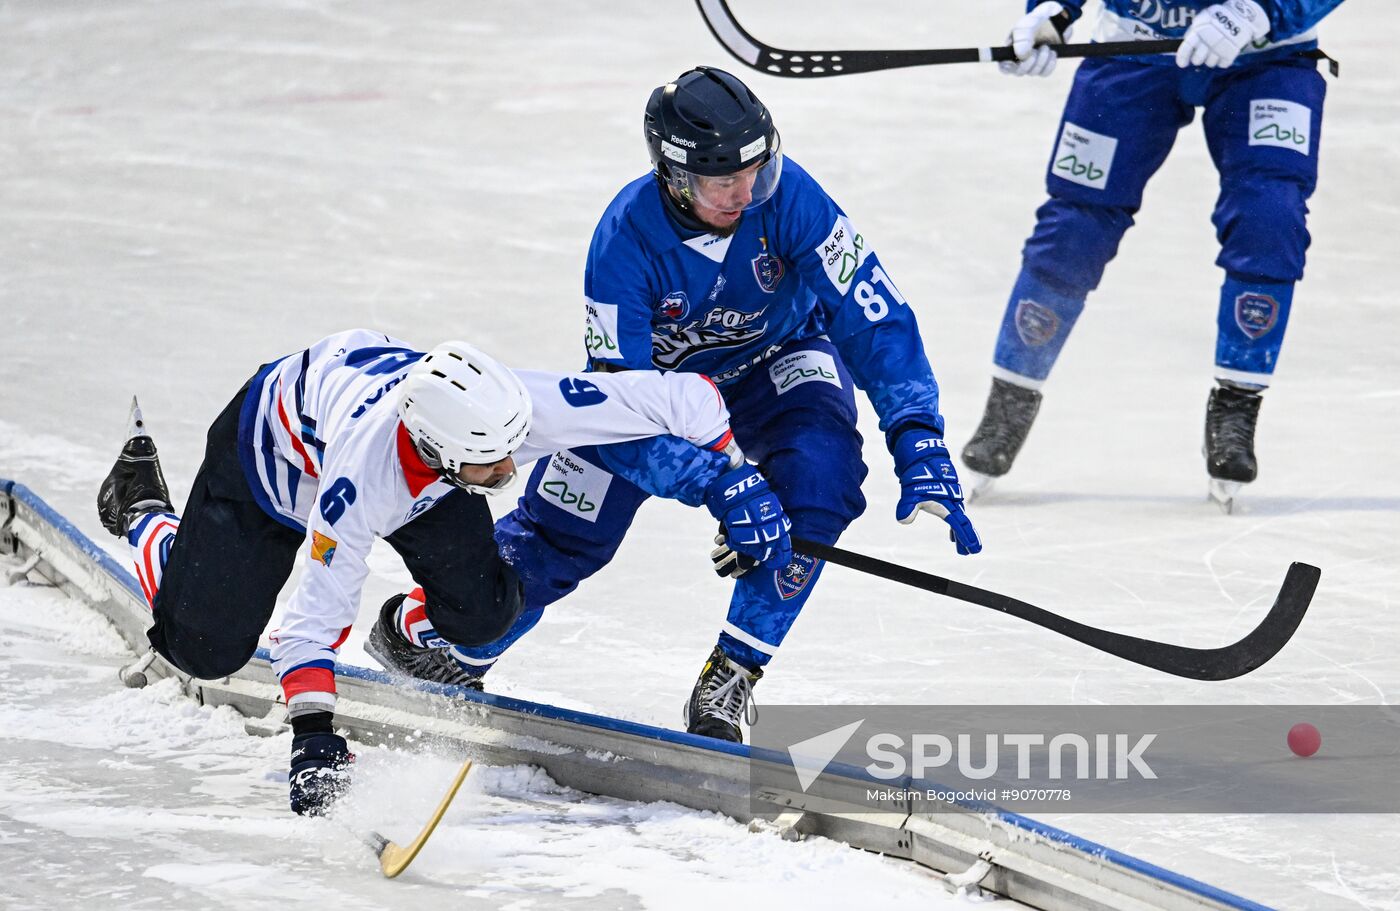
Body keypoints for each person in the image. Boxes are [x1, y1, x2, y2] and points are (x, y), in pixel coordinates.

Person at [407, 67, 981, 744]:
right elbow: (617, 408)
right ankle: (448, 642)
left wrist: (918, 434)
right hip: (654, 398)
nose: (747, 192)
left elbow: (871, 311)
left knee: (819, 487)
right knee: (565, 532)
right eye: (722, 181)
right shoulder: (623, 242)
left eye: (758, 171)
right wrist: (722, 483)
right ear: (675, 177)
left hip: (779, 361)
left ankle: (733, 672)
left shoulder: (792, 196)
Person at [96, 327, 791, 814]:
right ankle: (144, 512)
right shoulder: (360, 484)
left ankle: (406, 627)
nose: (513, 468)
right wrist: (312, 735)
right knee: (204, 649)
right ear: (441, 450)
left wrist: (735, 480)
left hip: (393, 452)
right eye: (494, 464)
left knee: (489, 610)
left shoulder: (501, 412)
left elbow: (684, 396)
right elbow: (310, 622)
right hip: (269, 461)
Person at [962, 0, 1344, 511]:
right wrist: (1052, 11)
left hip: (1267, 59)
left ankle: (1236, 405)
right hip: (1134, 49)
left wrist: (1264, 10)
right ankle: (1010, 399)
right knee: (1075, 226)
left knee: (1269, 217)